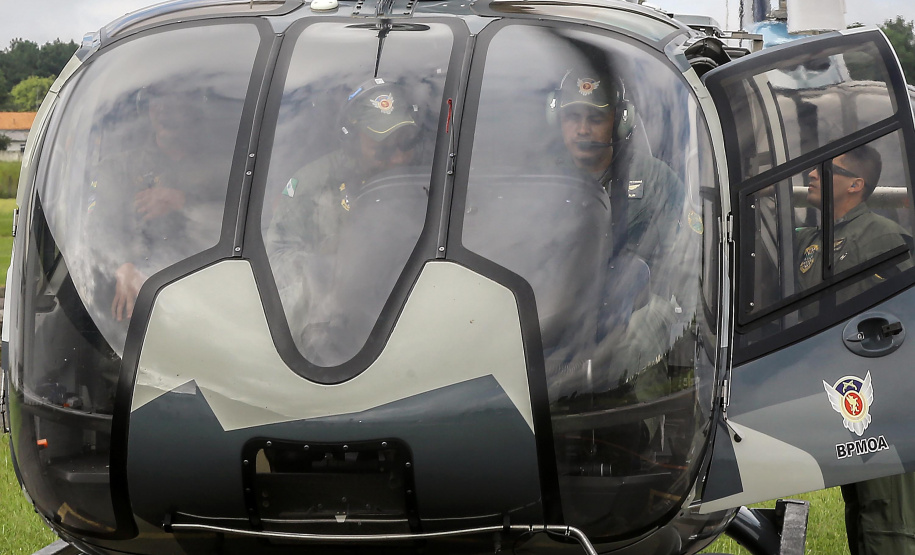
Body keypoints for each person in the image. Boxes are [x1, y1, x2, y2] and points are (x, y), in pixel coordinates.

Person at [796, 144, 915, 555]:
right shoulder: (812, 241)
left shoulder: (881, 237)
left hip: (885, 400)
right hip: (847, 402)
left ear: (855, 184)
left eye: (826, 169)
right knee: (860, 510)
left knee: (888, 517)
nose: (811, 174)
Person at [264, 81, 423, 365]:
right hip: (340, 331)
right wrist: (329, 261)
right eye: (382, 148)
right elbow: (275, 259)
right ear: (351, 139)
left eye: (405, 142)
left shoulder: (427, 174)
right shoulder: (310, 185)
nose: (399, 158)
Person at [91, 86, 226, 324]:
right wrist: (122, 265)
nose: (164, 111)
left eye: (175, 103)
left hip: (207, 297)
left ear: (191, 111)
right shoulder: (118, 167)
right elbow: (98, 228)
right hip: (136, 305)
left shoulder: (222, 171)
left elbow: (242, 223)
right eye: (157, 103)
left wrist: (183, 202)